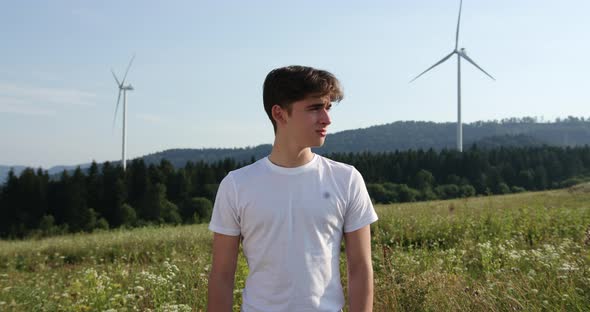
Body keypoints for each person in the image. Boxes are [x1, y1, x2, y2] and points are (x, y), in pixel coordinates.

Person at [207, 65, 378, 312]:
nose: (327, 119)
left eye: (328, 107)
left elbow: (360, 268)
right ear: (279, 113)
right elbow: (222, 276)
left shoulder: (347, 179)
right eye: (314, 108)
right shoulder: (236, 185)